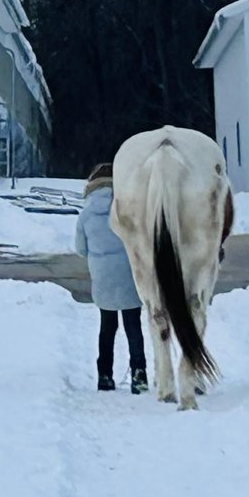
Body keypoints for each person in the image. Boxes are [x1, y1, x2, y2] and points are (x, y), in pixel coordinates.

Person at [76, 162, 146, 393]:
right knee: (133, 325)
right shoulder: (127, 209)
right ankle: (139, 375)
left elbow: (80, 249)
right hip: (127, 272)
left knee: (107, 327)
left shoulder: (86, 214)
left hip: (103, 275)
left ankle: (105, 375)